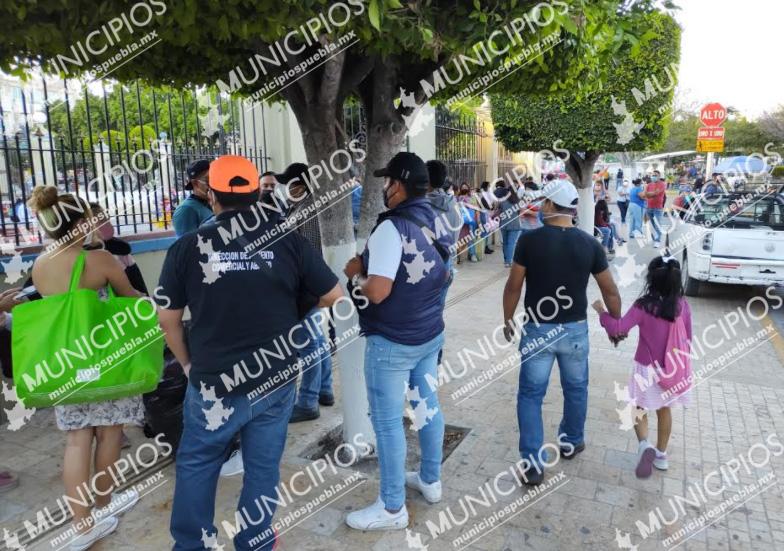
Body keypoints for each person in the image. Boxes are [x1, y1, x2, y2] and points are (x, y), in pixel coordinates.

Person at [156, 155, 342, 550]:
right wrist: (292, 310)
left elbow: (167, 317)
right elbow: (333, 293)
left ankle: (191, 544)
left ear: (211, 193)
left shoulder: (188, 247)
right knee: (261, 465)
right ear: (257, 192)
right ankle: (256, 540)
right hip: (273, 375)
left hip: (212, 380)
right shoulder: (288, 241)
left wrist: (187, 364)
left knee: (198, 460)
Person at [28, 186, 144, 550]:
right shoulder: (100, 260)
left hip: (65, 365)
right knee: (109, 433)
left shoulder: (40, 265)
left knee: (77, 439)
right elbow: (132, 299)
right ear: (78, 223)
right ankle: (104, 505)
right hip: (105, 362)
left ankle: (82, 525)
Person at [343, 152, 448, 531]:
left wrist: (357, 274)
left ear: (398, 185)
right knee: (427, 406)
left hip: (392, 342)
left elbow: (380, 291)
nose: (385, 187)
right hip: (429, 333)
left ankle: (391, 509)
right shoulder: (436, 216)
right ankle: (431, 481)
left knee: (387, 424)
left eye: (388, 181)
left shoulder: (391, 229)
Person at [502, 179, 622, 485]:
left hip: (538, 330)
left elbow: (513, 285)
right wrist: (615, 324)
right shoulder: (590, 244)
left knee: (531, 395)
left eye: (544, 202)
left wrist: (507, 319)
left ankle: (532, 464)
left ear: (551, 206)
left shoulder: (529, 242)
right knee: (576, 388)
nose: (541, 207)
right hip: (575, 331)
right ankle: (571, 441)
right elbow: (610, 291)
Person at [593, 256, 692, 478]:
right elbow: (689, 338)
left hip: (645, 367)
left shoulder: (644, 305)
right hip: (671, 369)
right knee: (664, 409)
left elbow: (618, 329)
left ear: (651, 279)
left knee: (638, 407)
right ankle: (662, 455)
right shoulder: (683, 306)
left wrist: (601, 312)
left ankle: (644, 445)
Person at [276, 163, 338, 423]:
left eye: (288, 183)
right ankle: (324, 390)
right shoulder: (297, 207)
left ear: (300, 184)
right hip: (304, 287)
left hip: (304, 288)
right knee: (317, 341)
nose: (284, 188)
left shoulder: (309, 209)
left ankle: (307, 401)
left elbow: (310, 250)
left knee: (309, 345)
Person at [172, 159, 213, 237]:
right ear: (195, 183)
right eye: (208, 179)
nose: (213, 183)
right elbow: (187, 245)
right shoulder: (186, 210)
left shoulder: (214, 203)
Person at [495, 181, 524, 268]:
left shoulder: (502, 201)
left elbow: (499, 212)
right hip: (515, 224)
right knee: (511, 243)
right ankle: (508, 261)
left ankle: (506, 260)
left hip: (504, 224)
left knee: (505, 243)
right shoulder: (518, 201)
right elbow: (520, 212)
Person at [456, 182, 479, 263]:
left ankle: (472, 254)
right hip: (461, 221)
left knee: (471, 238)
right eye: (463, 187)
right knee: (460, 238)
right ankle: (460, 255)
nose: (464, 188)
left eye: (466, 187)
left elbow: (476, 208)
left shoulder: (472, 197)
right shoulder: (457, 197)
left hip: (470, 220)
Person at [643, 170, 666, 248]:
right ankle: (656, 236)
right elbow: (645, 195)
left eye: (655, 175)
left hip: (658, 208)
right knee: (653, 224)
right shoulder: (649, 185)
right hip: (649, 207)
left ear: (659, 176)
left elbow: (656, 193)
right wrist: (650, 194)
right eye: (653, 175)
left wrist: (649, 194)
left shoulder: (662, 184)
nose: (654, 177)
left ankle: (658, 240)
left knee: (657, 224)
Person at [478, 181, 496, 255]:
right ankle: (483, 248)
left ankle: (485, 247)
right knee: (485, 231)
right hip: (483, 214)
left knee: (487, 231)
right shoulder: (482, 194)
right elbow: (484, 204)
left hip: (486, 214)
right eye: (488, 186)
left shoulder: (486, 194)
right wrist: (491, 207)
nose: (489, 188)